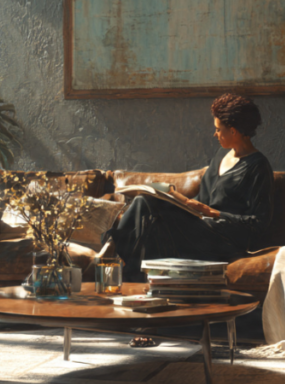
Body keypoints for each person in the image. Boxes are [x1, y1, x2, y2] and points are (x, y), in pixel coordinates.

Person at [104, 93, 275, 284]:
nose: (215, 134)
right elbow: (203, 198)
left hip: (225, 239)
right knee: (148, 206)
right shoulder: (221, 155)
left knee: (148, 206)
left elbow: (259, 223)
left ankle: (113, 252)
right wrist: (177, 198)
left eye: (218, 130)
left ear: (233, 131)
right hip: (200, 227)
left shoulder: (258, 166)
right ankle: (132, 276)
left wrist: (214, 213)